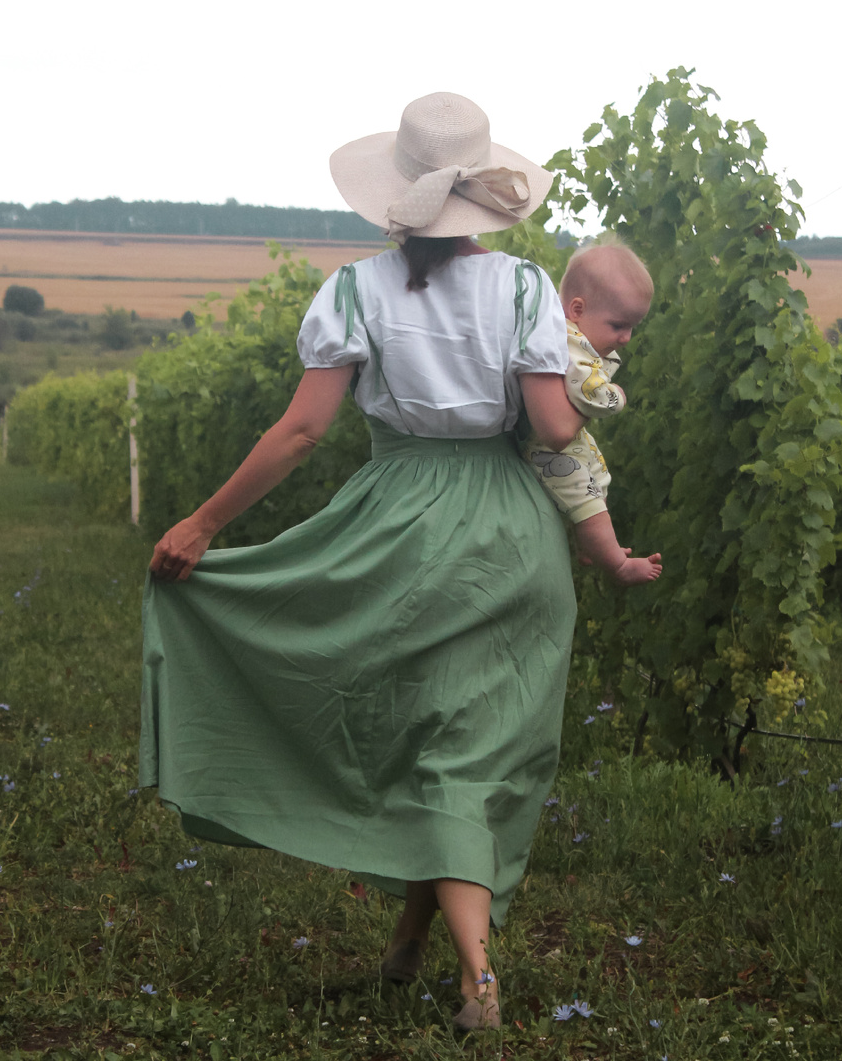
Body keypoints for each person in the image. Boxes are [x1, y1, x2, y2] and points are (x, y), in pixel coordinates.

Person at [140, 92, 587, 1031]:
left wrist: (205, 523)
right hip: (510, 533)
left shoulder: (355, 289)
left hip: (399, 527)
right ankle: (470, 969)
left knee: (415, 734)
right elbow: (551, 426)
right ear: (482, 203)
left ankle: (424, 951)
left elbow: (303, 431)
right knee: (475, 744)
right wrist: (596, 403)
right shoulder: (524, 290)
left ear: (394, 196)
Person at [520, 241, 662, 584]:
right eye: (618, 326)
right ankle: (617, 565)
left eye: (632, 327)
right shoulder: (571, 343)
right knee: (588, 501)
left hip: (564, 446)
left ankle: (591, 545)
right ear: (578, 309)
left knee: (598, 483)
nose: (626, 338)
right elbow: (591, 395)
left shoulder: (573, 335)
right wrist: (617, 396)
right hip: (548, 452)